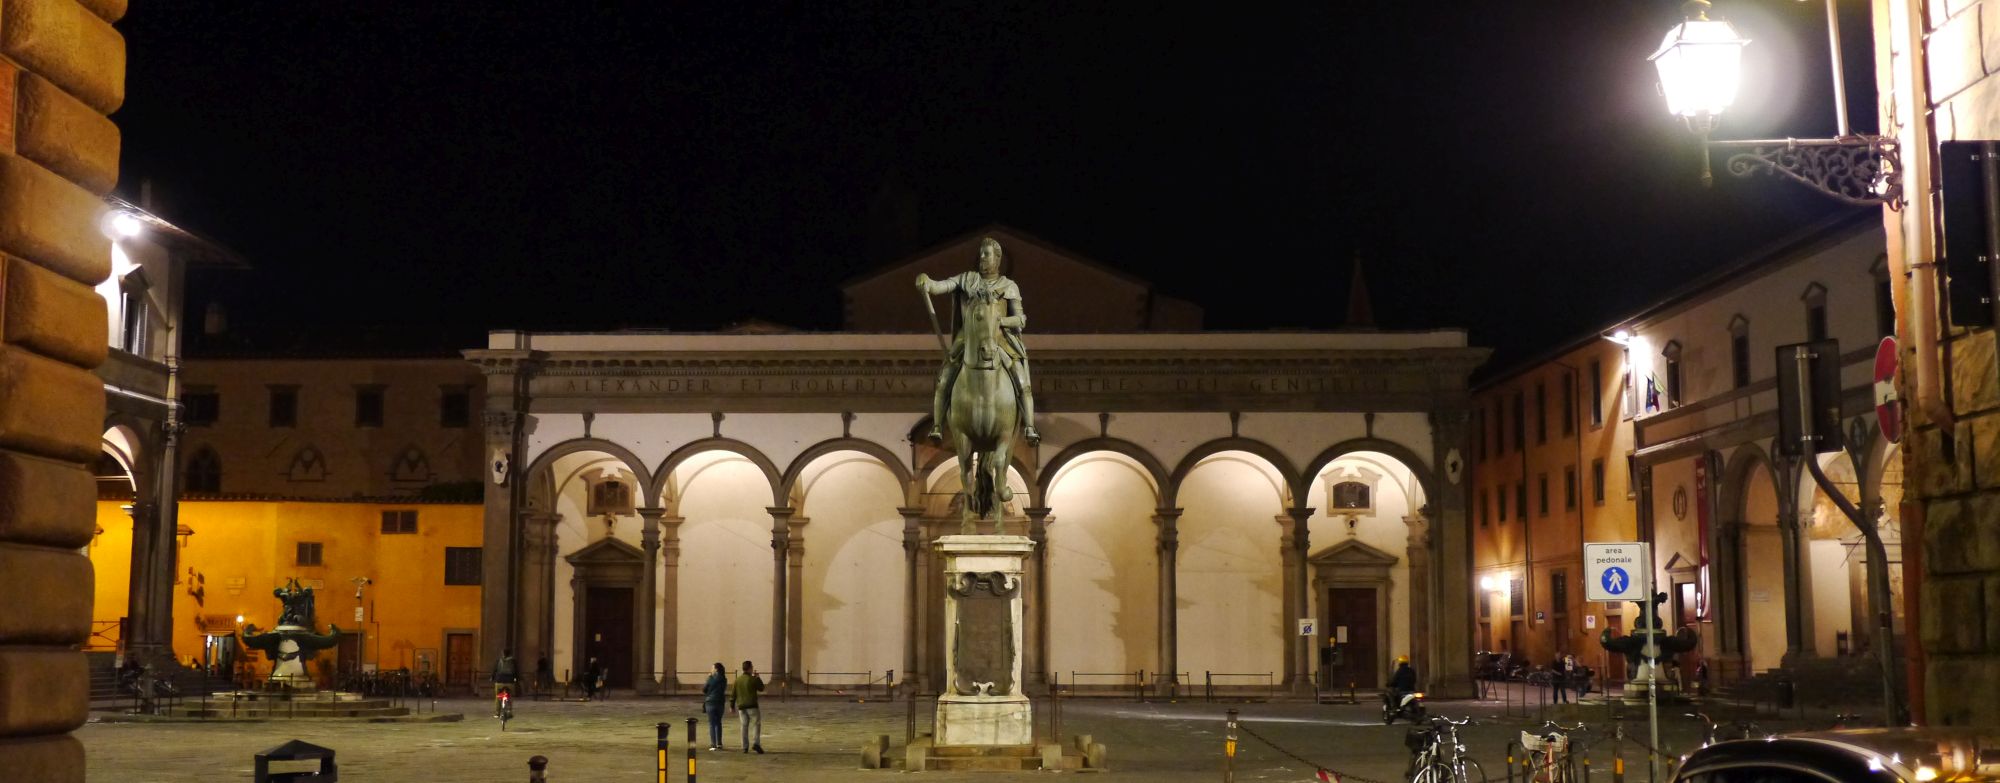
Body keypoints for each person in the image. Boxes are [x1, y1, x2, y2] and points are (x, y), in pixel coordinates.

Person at [915, 236, 1041, 445]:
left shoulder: (1009, 286)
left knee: (1021, 380)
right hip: (969, 338)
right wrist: (927, 282)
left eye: (987, 254)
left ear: (997, 259)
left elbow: (1021, 319)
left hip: (999, 339)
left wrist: (1000, 321)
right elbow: (941, 286)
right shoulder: (967, 279)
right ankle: (937, 426)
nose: (982, 257)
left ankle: (1029, 426)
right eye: (981, 253)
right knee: (945, 377)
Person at [730, 659, 766, 754]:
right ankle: (756, 743)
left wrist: (732, 705)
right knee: (756, 724)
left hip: (741, 706)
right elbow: (761, 688)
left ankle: (744, 747)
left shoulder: (737, 680)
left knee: (744, 726)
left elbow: (733, 694)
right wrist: (758, 678)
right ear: (750, 668)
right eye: (752, 667)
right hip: (752, 705)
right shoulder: (752, 679)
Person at [702, 662, 729, 751]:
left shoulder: (711, 679)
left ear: (716, 669)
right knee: (718, 722)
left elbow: (704, 689)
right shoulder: (724, 679)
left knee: (712, 724)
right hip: (720, 702)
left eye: (712, 668)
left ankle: (713, 744)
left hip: (710, 702)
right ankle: (719, 743)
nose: (711, 670)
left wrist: (709, 677)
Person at [492, 649, 519, 716]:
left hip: (499, 681)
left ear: (503, 653)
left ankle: (497, 712)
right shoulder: (513, 661)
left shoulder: (499, 660)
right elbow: (516, 671)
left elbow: (494, 670)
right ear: (510, 654)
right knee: (509, 696)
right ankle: (509, 711)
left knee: (498, 696)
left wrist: (492, 677)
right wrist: (517, 679)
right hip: (510, 681)